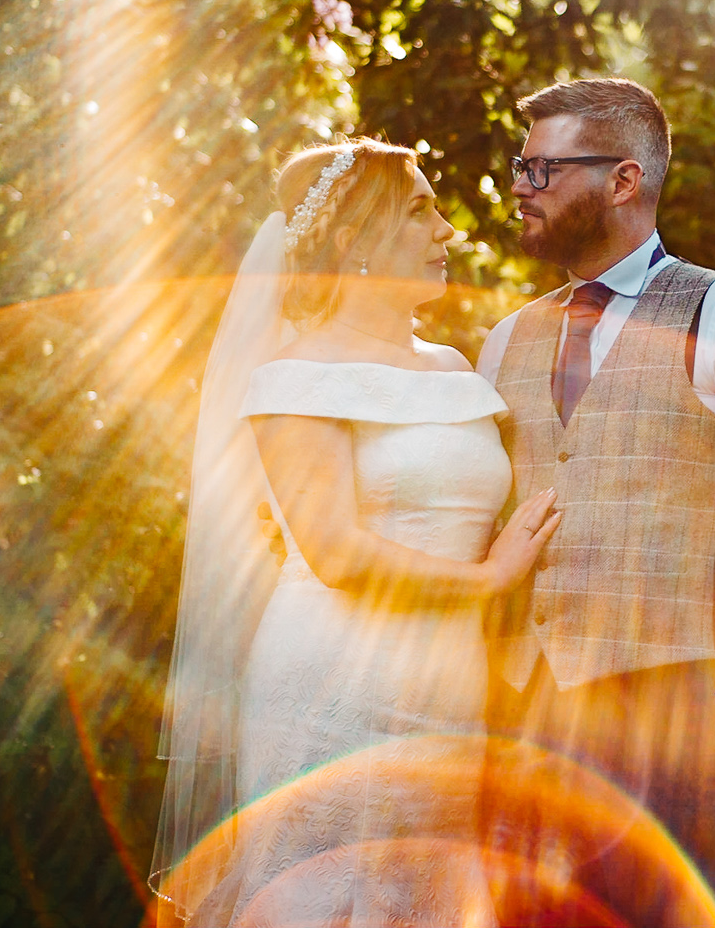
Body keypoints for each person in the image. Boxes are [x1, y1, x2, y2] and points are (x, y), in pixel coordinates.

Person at [149, 137, 560, 927]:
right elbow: (335, 549)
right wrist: (488, 580)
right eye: (419, 209)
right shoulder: (296, 375)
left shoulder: (458, 371)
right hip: (333, 688)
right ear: (351, 242)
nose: (447, 230)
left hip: (449, 687)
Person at [477, 78, 715, 926]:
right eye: (519, 166)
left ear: (623, 179)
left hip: (662, 716)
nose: (519, 188)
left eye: (542, 169)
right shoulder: (507, 338)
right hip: (516, 712)